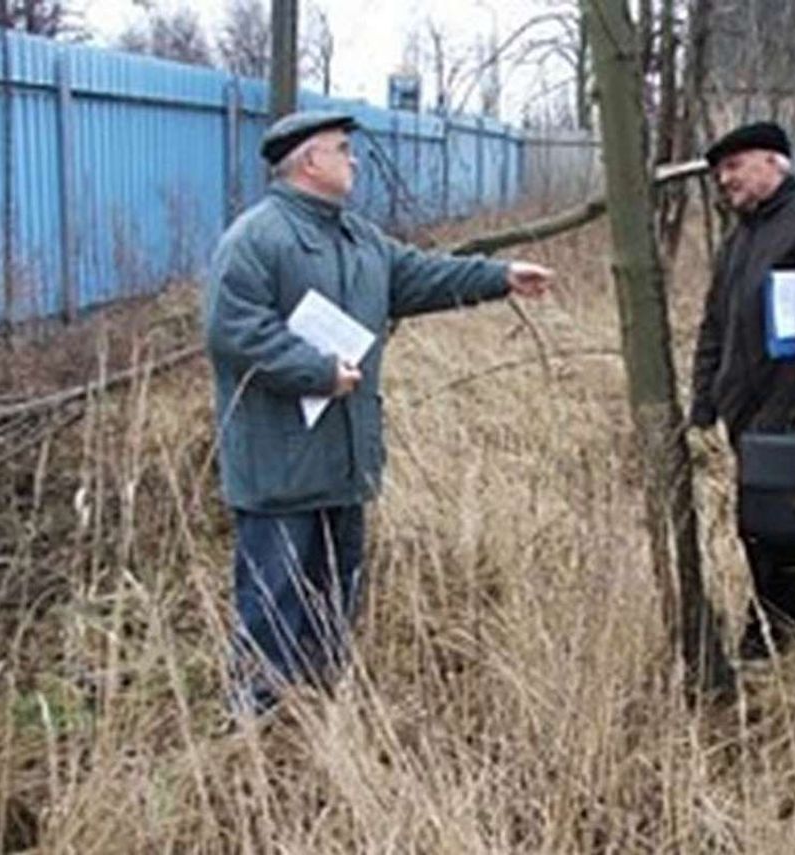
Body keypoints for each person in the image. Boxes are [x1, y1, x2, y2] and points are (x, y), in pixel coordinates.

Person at [203, 110, 553, 716]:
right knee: (274, 603)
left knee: (334, 602)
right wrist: (316, 372)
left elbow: (419, 275)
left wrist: (499, 277)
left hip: (344, 462)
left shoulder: (358, 237)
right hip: (280, 470)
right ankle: (257, 730)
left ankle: (320, 714)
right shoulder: (256, 239)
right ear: (309, 161)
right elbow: (233, 331)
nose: (354, 159)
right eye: (342, 149)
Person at [689, 121, 795, 662]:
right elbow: (714, 322)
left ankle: (772, 631)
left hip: (794, 411)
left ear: (774, 162)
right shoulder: (740, 237)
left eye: (735, 166)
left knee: (782, 532)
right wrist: (704, 400)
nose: (725, 179)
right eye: (720, 171)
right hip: (746, 412)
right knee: (756, 528)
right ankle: (786, 621)